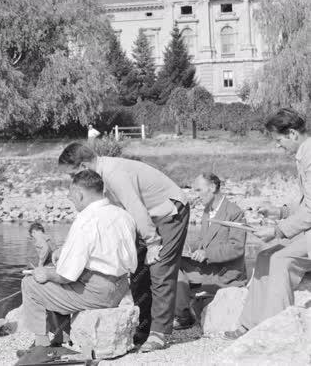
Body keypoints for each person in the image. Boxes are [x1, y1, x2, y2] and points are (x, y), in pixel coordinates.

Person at [58, 142, 189, 352]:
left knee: (159, 269)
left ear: (83, 166)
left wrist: (153, 243)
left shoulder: (114, 173)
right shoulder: (99, 179)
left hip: (169, 210)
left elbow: (135, 208)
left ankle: (159, 334)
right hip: (147, 216)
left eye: (71, 174)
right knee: (138, 271)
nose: (71, 180)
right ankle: (143, 329)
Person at [18, 169, 137, 353]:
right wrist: (65, 251)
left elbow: (66, 275)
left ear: (79, 194)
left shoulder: (85, 220)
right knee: (56, 280)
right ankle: (61, 335)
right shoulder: (122, 214)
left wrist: (45, 272)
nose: (69, 197)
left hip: (97, 292)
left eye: (70, 193)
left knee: (32, 283)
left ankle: (41, 345)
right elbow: (106, 250)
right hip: (121, 287)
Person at [223, 108, 311, 340]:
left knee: (281, 259)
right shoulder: (304, 154)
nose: (277, 145)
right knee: (263, 256)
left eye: (278, 139)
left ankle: (279, 331)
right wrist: (279, 211)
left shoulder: (310, 155)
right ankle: (250, 325)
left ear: (292, 133)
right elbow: (306, 203)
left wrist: (277, 230)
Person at [174, 173, 247, 329]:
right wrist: (193, 250)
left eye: (199, 190)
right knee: (172, 262)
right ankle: (183, 314)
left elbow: (237, 248)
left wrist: (207, 254)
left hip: (223, 273)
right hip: (207, 268)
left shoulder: (234, 212)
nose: (196, 196)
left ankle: (185, 312)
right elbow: (203, 241)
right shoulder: (207, 211)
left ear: (213, 188)